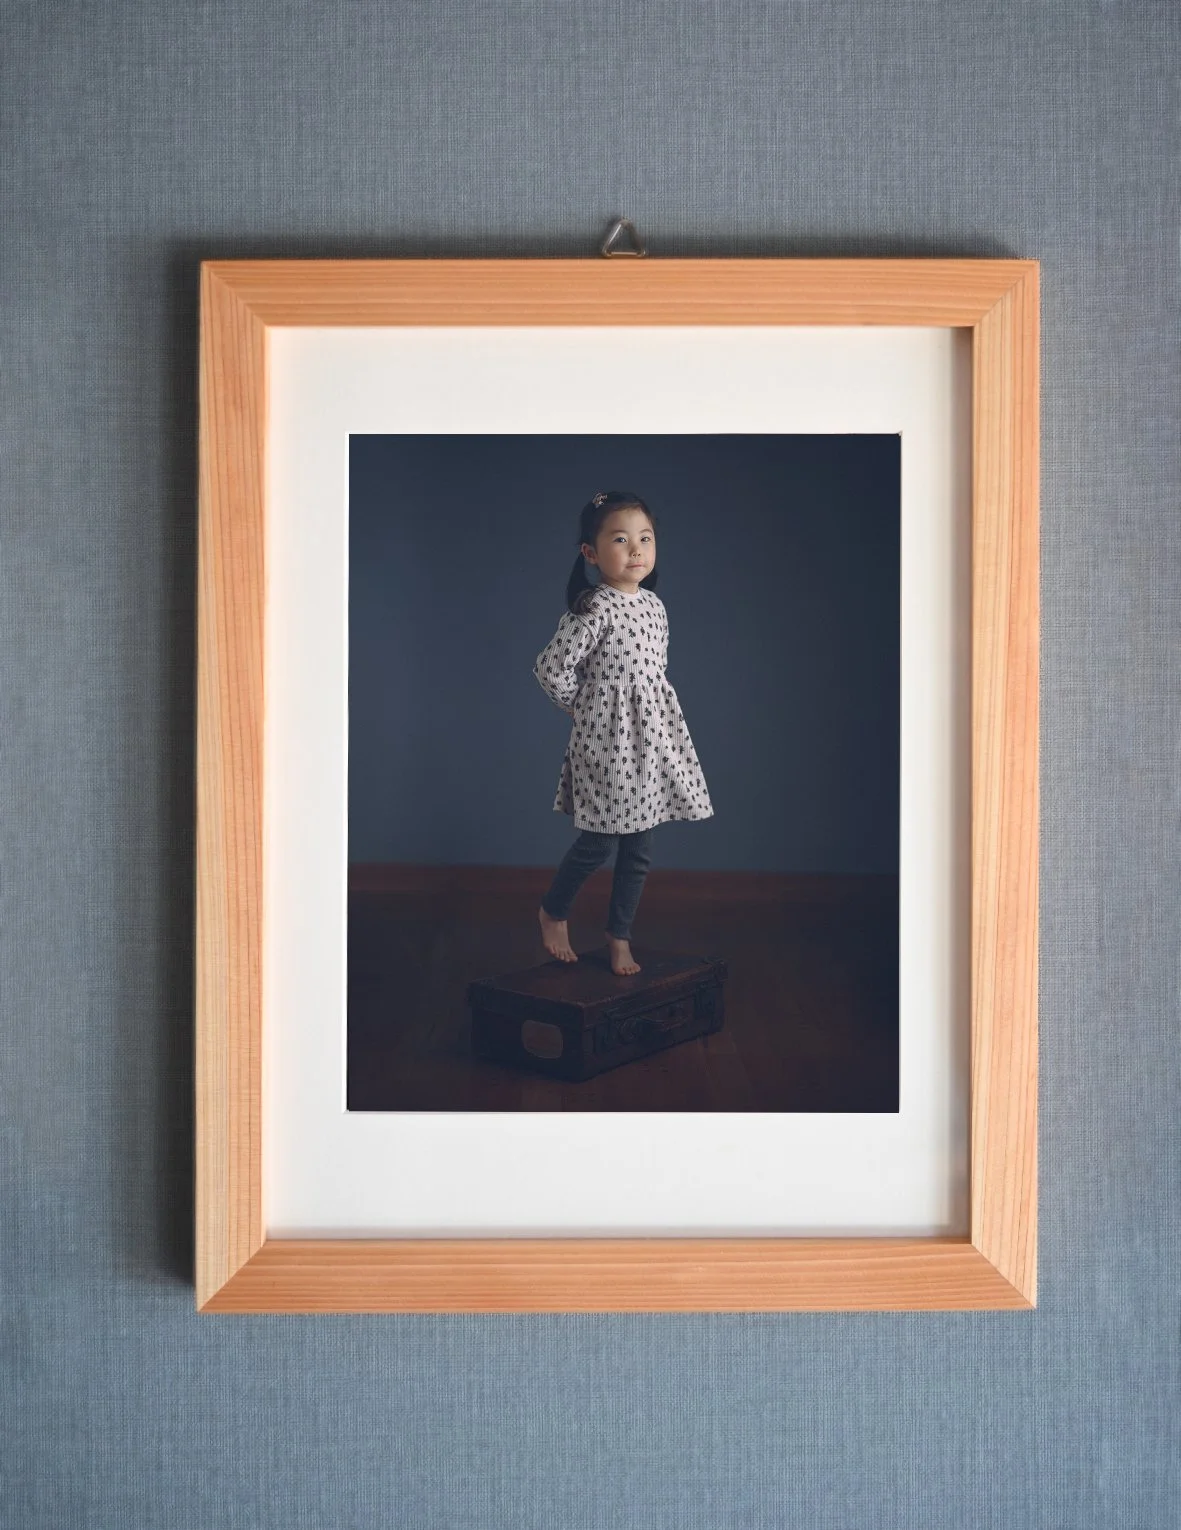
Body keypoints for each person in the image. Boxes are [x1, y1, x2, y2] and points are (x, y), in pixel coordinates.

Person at [532, 488, 714, 976]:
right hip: (606, 742)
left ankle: (619, 935)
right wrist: (583, 709)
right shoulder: (593, 608)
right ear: (591, 553)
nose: (636, 550)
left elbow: (652, 680)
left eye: (645, 538)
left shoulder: (655, 606)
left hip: (651, 740)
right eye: (620, 539)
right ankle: (554, 910)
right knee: (599, 840)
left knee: (640, 847)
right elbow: (552, 668)